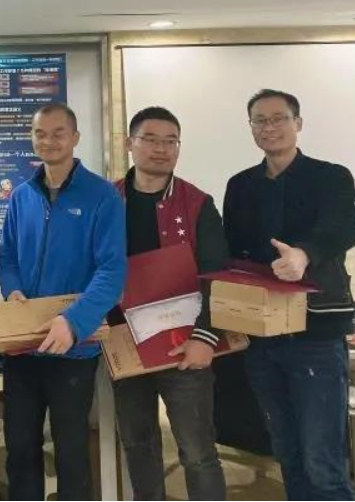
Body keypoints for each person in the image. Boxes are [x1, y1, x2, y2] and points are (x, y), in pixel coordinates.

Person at [223, 88, 355, 500]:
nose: (270, 128)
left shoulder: (330, 177)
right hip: (262, 336)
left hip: (316, 333)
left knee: (323, 461)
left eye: (279, 118)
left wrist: (304, 254)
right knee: (286, 452)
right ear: (251, 128)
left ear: (297, 123)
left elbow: (343, 228)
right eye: (260, 121)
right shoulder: (240, 186)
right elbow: (233, 253)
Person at [0, 102, 126, 500]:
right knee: (20, 447)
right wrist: (11, 289)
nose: (48, 141)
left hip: (73, 347)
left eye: (58, 133)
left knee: (71, 449)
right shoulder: (22, 196)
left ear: (75, 138)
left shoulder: (102, 196)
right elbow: (8, 256)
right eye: (40, 133)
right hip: (24, 344)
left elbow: (111, 271)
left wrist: (73, 322)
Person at [112, 106, 228, 500]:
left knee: (198, 452)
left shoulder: (197, 203)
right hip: (125, 343)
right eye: (150, 139)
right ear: (129, 144)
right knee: (138, 444)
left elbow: (216, 274)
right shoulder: (108, 200)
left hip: (185, 343)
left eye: (170, 141)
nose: (161, 149)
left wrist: (205, 336)